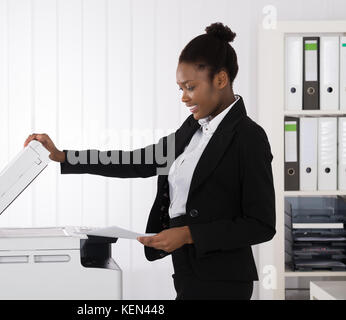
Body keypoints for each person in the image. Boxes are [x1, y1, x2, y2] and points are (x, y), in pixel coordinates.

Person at [23, 22, 276, 300]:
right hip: (187, 270)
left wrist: (189, 234)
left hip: (223, 280)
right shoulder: (192, 129)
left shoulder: (248, 137)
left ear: (220, 79)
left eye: (190, 87)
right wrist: (65, 156)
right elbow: (138, 161)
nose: (183, 97)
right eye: (180, 88)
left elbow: (260, 224)